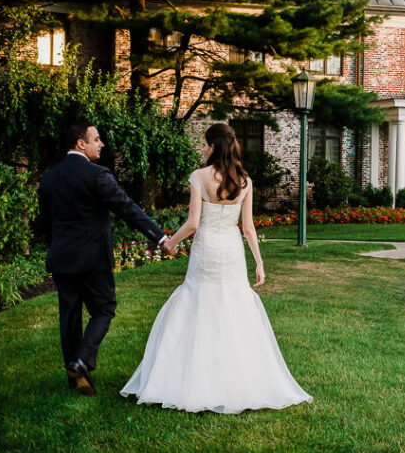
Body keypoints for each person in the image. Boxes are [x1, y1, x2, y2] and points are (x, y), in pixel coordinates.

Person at [120, 123, 312, 413]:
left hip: (207, 249)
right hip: (232, 251)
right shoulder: (245, 181)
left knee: (198, 301)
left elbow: (194, 223)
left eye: (206, 144)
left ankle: (192, 379)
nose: (204, 148)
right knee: (234, 305)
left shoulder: (199, 177)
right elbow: (248, 227)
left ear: (213, 146)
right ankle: (238, 380)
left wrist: (170, 242)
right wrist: (259, 262)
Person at [38, 122, 175, 396]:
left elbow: (44, 224)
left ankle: (74, 376)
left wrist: (55, 249)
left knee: (70, 316)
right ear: (81, 143)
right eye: (96, 139)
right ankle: (81, 360)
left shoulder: (49, 178)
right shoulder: (97, 175)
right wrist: (160, 237)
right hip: (93, 259)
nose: (101, 144)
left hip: (62, 259)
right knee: (104, 309)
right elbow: (127, 208)